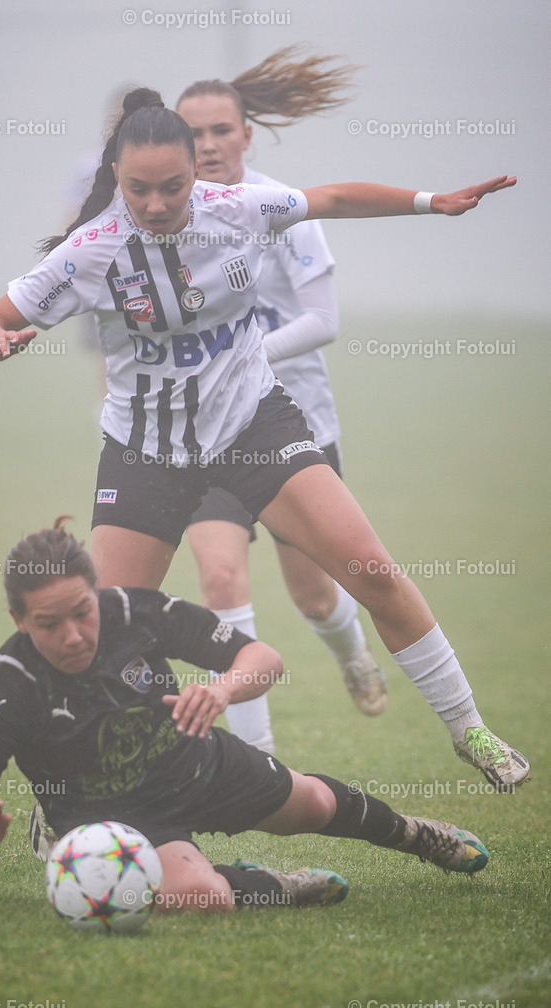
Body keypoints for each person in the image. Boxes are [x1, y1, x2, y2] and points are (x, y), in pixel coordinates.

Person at [0, 87, 528, 790]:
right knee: (97, 632)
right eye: (140, 189)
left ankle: (469, 729)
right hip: (147, 452)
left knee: (372, 572)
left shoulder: (236, 210)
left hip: (251, 427)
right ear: (116, 178)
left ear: (195, 173)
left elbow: (334, 199)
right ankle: (62, 800)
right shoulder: (89, 251)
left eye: (173, 186)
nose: (158, 203)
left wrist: (430, 201)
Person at [0, 519, 490, 914]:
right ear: (18, 618)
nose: (74, 636)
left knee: (319, 802)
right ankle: (269, 885)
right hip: (117, 821)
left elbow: (264, 659)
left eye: (82, 612)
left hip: (194, 764)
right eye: (48, 623)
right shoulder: (15, 679)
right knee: (204, 899)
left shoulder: (135, 611)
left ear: (96, 593)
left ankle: (417, 836)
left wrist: (223, 690)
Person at [178, 51, 386, 755]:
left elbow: (323, 321)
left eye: (219, 130)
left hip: (289, 427)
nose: (206, 145)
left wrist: (239, 359)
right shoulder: (159, 215)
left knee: (316, 598)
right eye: (192, 133)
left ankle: (351, 652)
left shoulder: (284, 209)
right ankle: (255, 764)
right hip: (204, 434)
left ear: (246, 135)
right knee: (218, 577)